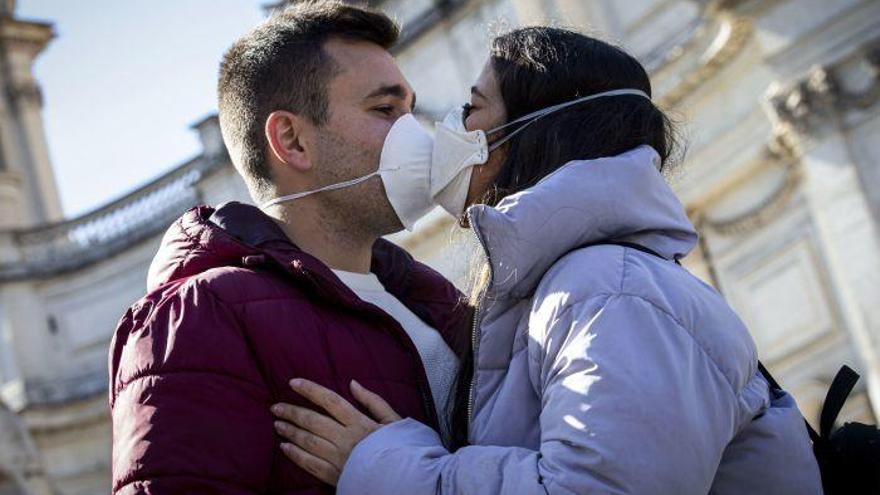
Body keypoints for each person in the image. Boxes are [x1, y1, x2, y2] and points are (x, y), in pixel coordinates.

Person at [270, 27, 824, 494]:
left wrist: (387, 467)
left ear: (525, 135)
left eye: (472, 109)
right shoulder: (582, 285)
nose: (447, 132)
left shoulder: (611, 291)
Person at [107, 2, 470, 494]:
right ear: (292, 140)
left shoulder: (439, 302)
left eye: (409, 109)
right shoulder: (197, 319)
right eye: (385, 110)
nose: (415, 134)